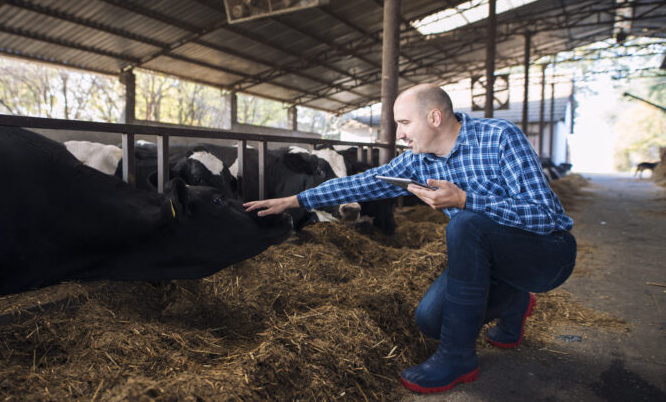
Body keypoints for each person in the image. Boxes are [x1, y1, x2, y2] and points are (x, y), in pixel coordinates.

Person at [243, 84, 576, 394]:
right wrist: (295, 201)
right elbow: (361, 183)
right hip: (488, 261)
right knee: (431, 320)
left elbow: (545, 216)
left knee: (466, 224)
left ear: (434, 118)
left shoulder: (501, 137)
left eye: (404, 122)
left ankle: (457, 358)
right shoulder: (418, 160)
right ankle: (516, 300)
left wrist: (465, 200)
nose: (399, 134)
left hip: (546, 255)